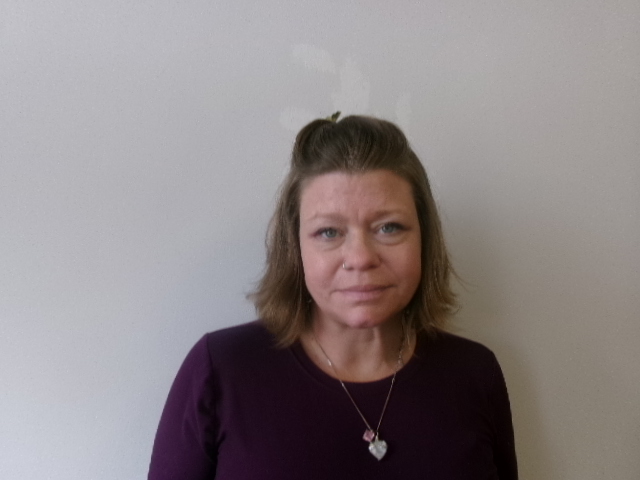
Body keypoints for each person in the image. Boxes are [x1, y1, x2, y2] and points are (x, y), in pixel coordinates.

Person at [148, 114, 518, 479]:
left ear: (425, 238)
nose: (360, 258)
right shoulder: (221, 371)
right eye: (329, 232)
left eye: (389, 227)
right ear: (295, 248)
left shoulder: (475, 374)